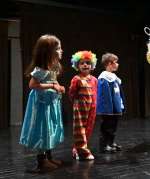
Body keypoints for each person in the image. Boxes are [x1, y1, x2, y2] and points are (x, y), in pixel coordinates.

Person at [20, 34, 65, 170]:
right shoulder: (41, 69)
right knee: (42, 129)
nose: (61, 51)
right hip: (41, 103)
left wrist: (58, 86)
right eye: (58, 48)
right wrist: (53, 86)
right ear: (48, 52)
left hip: (50, 102)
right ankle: (41, 160)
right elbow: (33, 85)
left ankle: (48, 157)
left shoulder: (53, 66)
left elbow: (53, 79)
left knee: (50, 128)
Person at [69, 50, 98, 160]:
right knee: (79, 129)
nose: (85, 65)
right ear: (77, 65)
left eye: (88, 62)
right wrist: (77, 103)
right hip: (80, 108)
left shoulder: (94, 80)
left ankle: (78, 148)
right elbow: (72, 93)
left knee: (88, 128)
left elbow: (95, 93)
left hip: (91, 108)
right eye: (82, 63)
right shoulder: (77, 79)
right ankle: (84, 152)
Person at [96, 53, 126, 153]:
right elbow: (104, 95)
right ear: (110, 64)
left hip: (114, 105)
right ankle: (103, 146)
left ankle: (110, 142)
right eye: (115, 63)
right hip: (109, 107)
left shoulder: (113, 76)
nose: (117, 64)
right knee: (107, 125)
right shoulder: (104, 77)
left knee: (113, 124)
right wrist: (107, 109)